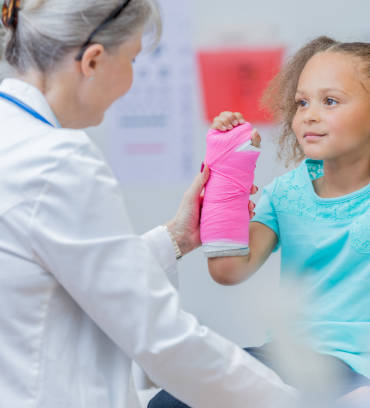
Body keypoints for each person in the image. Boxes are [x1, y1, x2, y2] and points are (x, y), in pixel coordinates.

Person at [150, 35, 370, 406]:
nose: (309, 114)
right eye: (302, 102)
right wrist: (228, 170)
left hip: (366, 366)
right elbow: (228, 270)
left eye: (330, 101)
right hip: (288, 359)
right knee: (169, 401)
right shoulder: (285, 194)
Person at [0, 0, 297, 407]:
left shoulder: (15, 141)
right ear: (93, 61)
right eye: (133, 60)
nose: (130, 82)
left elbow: (56, 274)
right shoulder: (58, 162)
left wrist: (176, 236)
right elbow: (162, 338)